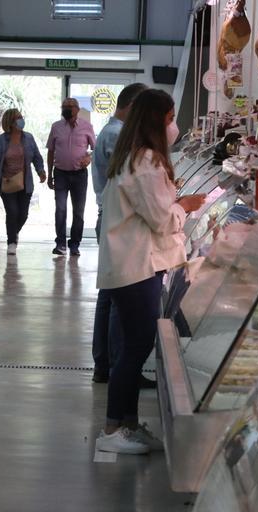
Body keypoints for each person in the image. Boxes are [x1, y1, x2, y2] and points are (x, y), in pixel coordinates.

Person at [95, 90, 206, 455]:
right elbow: (160, 218)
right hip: (136, 267)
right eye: (171, 118)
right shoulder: (145, 162)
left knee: (133, 344)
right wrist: (184, 206)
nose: (174, 126)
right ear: (157, 121)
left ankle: (127, 423)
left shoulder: (137, 158)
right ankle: (113, 427)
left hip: (136, 264)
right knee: (136, 346)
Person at [90, 83, 147, 384]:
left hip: (112, 219)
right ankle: (115, 365)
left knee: (110, 295)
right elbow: (133, 178)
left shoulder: (114, 133)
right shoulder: (116, 135)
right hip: (116, 221)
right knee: (117, 296)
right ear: (133, 106)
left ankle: (106, 363)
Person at [0, 108, 46, 255]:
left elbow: (37, 157)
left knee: (23, 215)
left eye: (21, 117)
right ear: (11, 122)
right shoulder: (1, 141)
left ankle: (13, 233)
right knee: (12, 212)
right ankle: (11, 241)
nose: (21, 120)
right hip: (7, 182)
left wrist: (41, 171)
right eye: (18, 118)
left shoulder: (29, 138)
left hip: (25, 183)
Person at [46, 97, 96, 256]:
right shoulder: (56, 127)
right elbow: (51, 151)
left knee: (78, 211)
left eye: (70, 106)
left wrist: (89, 158)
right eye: (64, 106)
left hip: (79, 175)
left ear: (77, 109)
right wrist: (49, 174)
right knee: (60, 209)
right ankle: (60, 243)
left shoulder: (87, 127)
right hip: (60, 173)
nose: (66, 108)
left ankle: (75, 244)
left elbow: (95, 149)